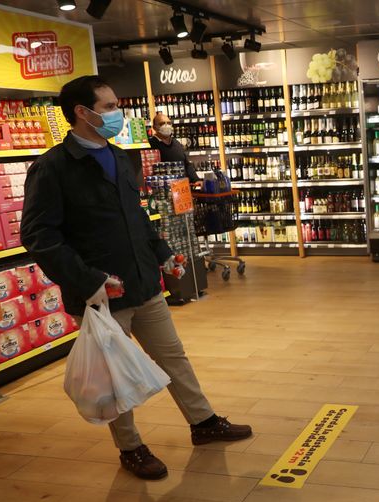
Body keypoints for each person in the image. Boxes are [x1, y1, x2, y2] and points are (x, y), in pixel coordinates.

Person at [20, 75, 252, 481]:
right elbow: (39, 237)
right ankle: (130, 447)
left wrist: (162, 254)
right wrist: (89, 279)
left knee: (173, 356)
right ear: (82, 112)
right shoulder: (53, 167)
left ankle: (203, 422)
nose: (117, 113)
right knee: (115, 376)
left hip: (144, 283)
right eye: (109, 107)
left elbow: (136, 217)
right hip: (101, 294)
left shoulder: (121, 157)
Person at [149, 112, 199, 182]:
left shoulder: (176, 143)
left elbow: (187, 165)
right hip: (164, 187)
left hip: (182, 186)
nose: (166, 126)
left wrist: (196, 180)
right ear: (154, 127)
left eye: (169, 123)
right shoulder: (150, 145)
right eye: (162, 123)